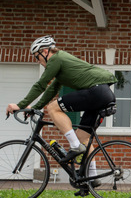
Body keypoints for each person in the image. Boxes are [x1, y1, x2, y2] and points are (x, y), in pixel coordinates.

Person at [6, 36, 117, 168]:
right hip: (103, 95)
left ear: (45, 51)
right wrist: (35, 107)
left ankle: (75, 147)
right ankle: (93, 179)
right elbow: (51, 90)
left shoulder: (56, 58)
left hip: (97, 91)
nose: (38, 61)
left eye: (37, 57)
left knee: (53, 108)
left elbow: (41, 85)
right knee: (83, 137)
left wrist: (20, 105)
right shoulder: (61, 63)